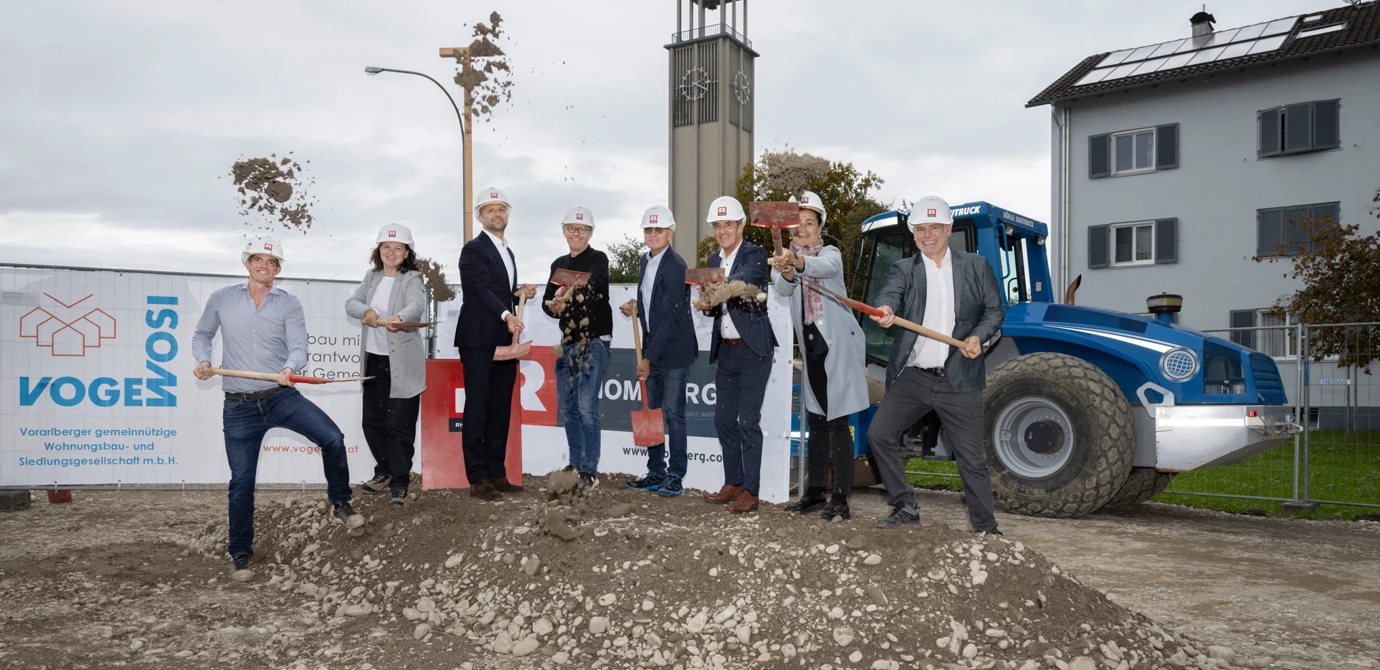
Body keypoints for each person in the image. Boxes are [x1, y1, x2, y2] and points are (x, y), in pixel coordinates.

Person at [192, 236, 365, 583]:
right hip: (238, 406)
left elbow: (299, 346)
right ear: (247, 263)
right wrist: (204, 359)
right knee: (242, 482)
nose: (264, 266)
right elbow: (202, 335)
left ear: (278, 270)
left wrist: (290, 367)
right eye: (258, 260)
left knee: (332, 438)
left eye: (271, 262)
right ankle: (240, 555)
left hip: (280, 396)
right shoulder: (221, 299)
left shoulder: (289, 304)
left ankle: (341, 503)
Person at [865, 195, 1005, 532]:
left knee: (971, 459)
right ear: (914, 233)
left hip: (960, 379)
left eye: (934, 228)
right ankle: (905, 506)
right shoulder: (904, 269)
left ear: (948, 229)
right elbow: (889, 296)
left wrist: (978, 338)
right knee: (879, 434)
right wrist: (885, 310)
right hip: (915, 377)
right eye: (921, 229)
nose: (928, 235)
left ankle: (987, 529)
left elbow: (994, 312)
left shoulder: (976, 266)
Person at [769, 191, 869, 521]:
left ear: (820, 226)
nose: (802, 229)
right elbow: (783, 288)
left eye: (809, 223)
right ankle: (814, 493)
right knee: (817, 421)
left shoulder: (830, 254)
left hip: (835, 349)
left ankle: (840, 498)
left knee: (838, 422)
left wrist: (795, 262)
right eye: (798, 223)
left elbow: (824, 268)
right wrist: (785, 267)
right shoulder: (786, 257)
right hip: (812, 349)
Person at [453, 187, 537, 501]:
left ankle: (496, 473)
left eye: (501, 209)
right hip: (478, 340)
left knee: (500, 408)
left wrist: (519, 295)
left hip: (504, 340)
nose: (496, 214)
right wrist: (506, 313)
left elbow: (499, 291)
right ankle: (477, 477)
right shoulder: (473, 250)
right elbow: (481, 289)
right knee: (477, 407)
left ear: (507, 215)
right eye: (489, 210)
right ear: (479, 216)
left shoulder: (507, 252)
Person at [698, 195, 777, 514]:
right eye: (717, 226)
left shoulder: (755, 254)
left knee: (748, 420)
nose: (722, 231)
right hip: (726, 351)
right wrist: (705, 304)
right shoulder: (713, 260)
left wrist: (714, 289)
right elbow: (714, 305)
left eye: (727, 224)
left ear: (741, 226)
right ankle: (733, 482)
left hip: (754, 350)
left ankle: (751, 491)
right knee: (722, 419)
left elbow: (742, 282)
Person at [345, 224, 427, 505]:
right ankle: (385, 471)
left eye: (397, 248)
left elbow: (417, 307)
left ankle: (401, 482)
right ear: (378, 251)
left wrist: (399, 317)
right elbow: (352, 303)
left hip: (402, 365)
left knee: (399, 425)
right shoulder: (372, 277)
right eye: (386, 247)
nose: (391, 252)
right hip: (374, 361)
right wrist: (367, 310)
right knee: (373, 422)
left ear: (406, 253)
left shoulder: (413, 279)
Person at [620, 205, 697, 497]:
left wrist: (648, 359)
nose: (653, 235)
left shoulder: (676, 266)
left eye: (659, 230)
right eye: (648, 230)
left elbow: (669, 318)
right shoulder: (645, 261)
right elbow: (654, 304)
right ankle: (655, 472)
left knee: (674, 414)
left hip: (673, 351)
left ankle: (675, 475)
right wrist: (636, 308)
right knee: (652, 413)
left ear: (670, 233)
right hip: (655, 343)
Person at [541, 206, 613, 490]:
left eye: (582, 229)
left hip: (593, 343)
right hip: (567, 344)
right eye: (571, 228)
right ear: (563, 231)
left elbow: (596, 285)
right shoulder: (558, 263)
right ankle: (574, 464)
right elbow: (549, 302)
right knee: (568, 408)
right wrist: (555, 305)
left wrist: (567, 292)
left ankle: (589, 471)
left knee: (586, 407)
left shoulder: (598, 259)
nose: (576, 233)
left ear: (590, 233)